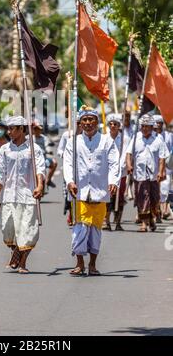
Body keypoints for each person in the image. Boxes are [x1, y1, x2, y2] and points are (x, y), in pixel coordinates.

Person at [63, 106, 120, 276]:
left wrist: (113, 181)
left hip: (99, 191)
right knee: (80, 230)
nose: (88, 123)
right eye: (84, 120)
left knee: (95, 230)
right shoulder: (73, 141)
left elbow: (114, 163)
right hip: (79, 192)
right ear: (80, 123)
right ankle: (80, 263)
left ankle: (93, 265)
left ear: (97, 122)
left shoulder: (106, 141)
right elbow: (68, 163)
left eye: (91, 120)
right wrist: (70, 181)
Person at [0, 116, 45, 274]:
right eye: (8, 128)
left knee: (27, 230)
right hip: (8, 196)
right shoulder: (5, 149)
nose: (9, 132)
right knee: (7, 228)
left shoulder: (33, 149)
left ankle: (22, 262)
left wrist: (40, 185)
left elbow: (40, 169)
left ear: (22, 129)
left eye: (12, 128)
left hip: (28, 195)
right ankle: (15, 251)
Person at [126, 114, 168, 232]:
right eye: (143, 126)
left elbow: (162, 158)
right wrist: (129, 165)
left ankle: (152, 219)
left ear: (151, 127)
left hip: (153, 176)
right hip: (139, 175)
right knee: (142, 198)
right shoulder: (135, 138)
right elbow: (129, 154)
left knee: (154, 200)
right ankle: (144, 224)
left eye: (147, 126)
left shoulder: (158, 139)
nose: (145, 128)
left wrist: (160, 172)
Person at [103, 113, 129, 231]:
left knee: (120, 197)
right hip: (107, 173)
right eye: (111, 124)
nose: (113, 126)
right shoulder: (104, 138)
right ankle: (106, 221)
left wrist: (120, 165)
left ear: (119, 125)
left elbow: (125, 154)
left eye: (115, 124)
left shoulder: (124, 138)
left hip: (121, 172)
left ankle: (118, 222)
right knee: (108, 196)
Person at [57, 118, 82, 224]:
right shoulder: (67, 135)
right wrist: (65, 155)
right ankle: (71, 213)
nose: (79, 125)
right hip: (69, 169)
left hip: (82, 170)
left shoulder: (86, 136)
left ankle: (79, 215)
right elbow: (60, 149)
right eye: (77, 123)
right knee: (69, 193)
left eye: (80, 122)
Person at [153, 114, 173, 220]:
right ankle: (157, 211)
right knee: (155, 190)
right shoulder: (151, 136)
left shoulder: (169, 136)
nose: (158, 125)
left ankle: (164, 210)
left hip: (167, 167)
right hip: (153, 167)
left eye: (160, 123)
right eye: (156, 123)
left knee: (165, 189)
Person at [32, 121, 58, 189]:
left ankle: (48, 180)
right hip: (31, 161)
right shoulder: (29, 138)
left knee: (54, 163)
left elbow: (47, 146)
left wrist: (49, 151)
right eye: (35, 129)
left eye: (38, 129)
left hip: (43, 160)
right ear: (33, 130)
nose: (37, 131)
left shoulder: (44, 138)